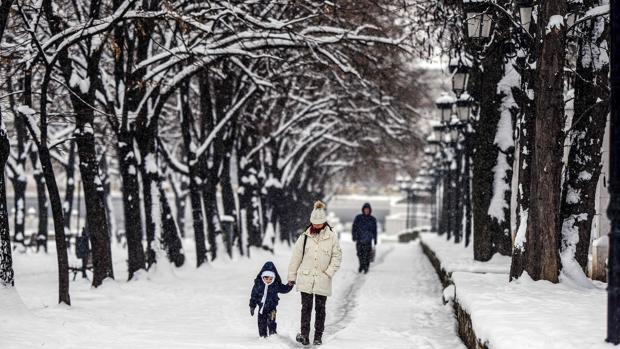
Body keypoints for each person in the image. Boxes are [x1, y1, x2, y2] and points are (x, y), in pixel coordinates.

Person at [288, 201, 342, 346]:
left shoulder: (332, 237)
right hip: (306, 278)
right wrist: (291, 277)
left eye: (320, 223)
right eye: (315, 224)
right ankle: (305, 335)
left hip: (323, 279)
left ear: (324, 222)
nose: (317, 226)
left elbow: (337, 257)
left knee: (320, 309)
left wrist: (329, 273)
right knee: (305, 308)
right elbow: (296, 258)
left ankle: (318, 336)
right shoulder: (304, 237)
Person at [249, 261, 293, 338]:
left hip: (272, 309)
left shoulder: (275, 285)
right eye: (266, 278)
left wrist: (289, 285)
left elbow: (284, 289)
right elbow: (254, 296)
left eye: (271, 278)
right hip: (261, 309)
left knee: (272, 321)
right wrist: (252, 306)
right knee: (261, 322)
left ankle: (272, 334)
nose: (268, 281)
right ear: (262, 277)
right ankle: (263, 335)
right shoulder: (258, 285)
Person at [352, 202, 377, 274]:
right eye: (365, 209)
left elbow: (375, 230)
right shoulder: (358, 218)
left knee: (367, 254)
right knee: (359, 253)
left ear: (370, 210)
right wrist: (354, 236)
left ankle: (366, 266)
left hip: (368, 240)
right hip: (359, 239)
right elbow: (354, 227)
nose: (366, 211)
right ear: (363, 210)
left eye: (368, 209)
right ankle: (361, 265)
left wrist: (375, 239)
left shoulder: (372, 219)